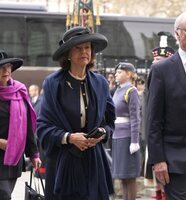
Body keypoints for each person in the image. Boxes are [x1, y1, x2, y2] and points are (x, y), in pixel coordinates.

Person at [37, 26, 116, 200]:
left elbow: (110, 122)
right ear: (68, 54)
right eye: (78, 48)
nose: (84, 52)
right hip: (64, 164)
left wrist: (102, 133)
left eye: (87, 47)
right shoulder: (53, 83)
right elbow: (42, 127)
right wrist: (70, 137)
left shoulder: (100, 83)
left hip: (93, 162)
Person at [147, 10, 186, 200]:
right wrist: (158, 160)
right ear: (177, 33)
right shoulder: (161, 70)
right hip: (174, 160)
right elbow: (153, 119)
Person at [0, 50, 41, 200]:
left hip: (14, 158)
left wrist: (34, 154)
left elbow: (28, 126)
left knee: (7, 193)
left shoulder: (19, 91)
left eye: (9, 66)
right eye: (2, 67)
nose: (7, 71)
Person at [144, 44, 175, 200]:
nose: (156, 63)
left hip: (169, 135)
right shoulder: (152, 76)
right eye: (155, 59)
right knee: (157, 175)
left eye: (160, 60)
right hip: (154, 133)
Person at [112, 62, 140, 200]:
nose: (116, 74)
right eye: (116, 72)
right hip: (117, 135)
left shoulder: (131, 91)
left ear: (128, 74)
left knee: (129, 176)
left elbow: (135, 118)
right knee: (122, 176)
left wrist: (134, 141)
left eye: (120, 72)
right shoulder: (118, 90)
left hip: (127, 137)